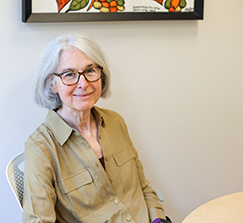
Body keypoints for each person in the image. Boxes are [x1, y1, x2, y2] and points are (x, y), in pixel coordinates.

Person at [23, 32, 171, 223]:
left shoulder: (116, 122)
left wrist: (158, 219)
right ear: (52, 84)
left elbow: (143, 189)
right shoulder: (40, 147)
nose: (83, 84)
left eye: (90, 70)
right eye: (69, 74)